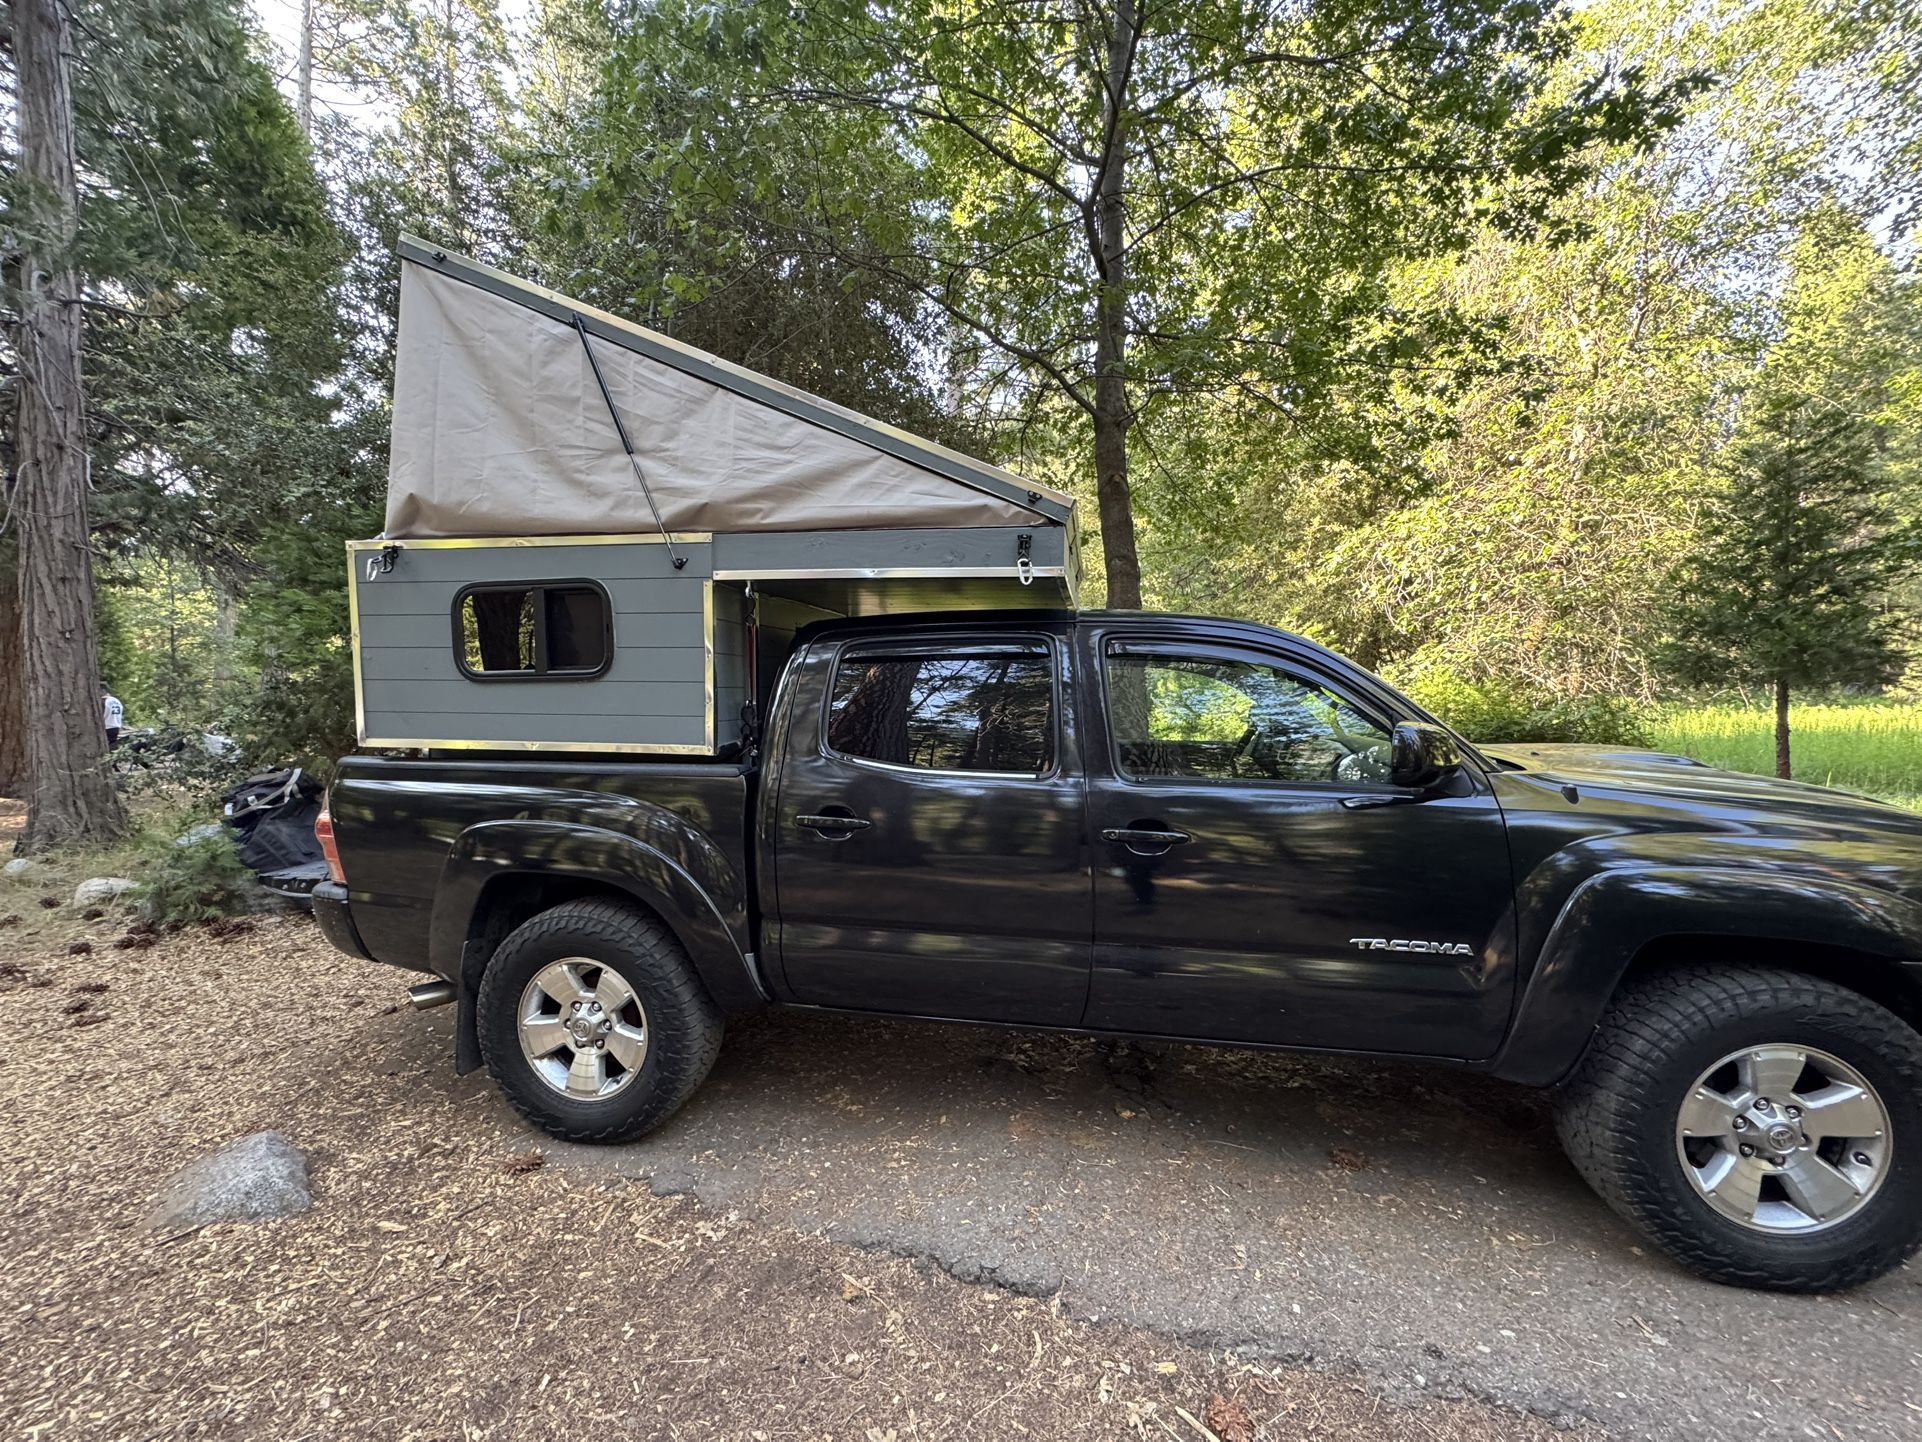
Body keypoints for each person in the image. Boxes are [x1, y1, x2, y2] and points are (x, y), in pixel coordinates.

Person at [101, 683, 124, 750]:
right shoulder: (116, 700)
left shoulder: (103, 701)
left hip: (106, 726)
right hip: (116, 726)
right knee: (112, 745)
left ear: (103, 690)